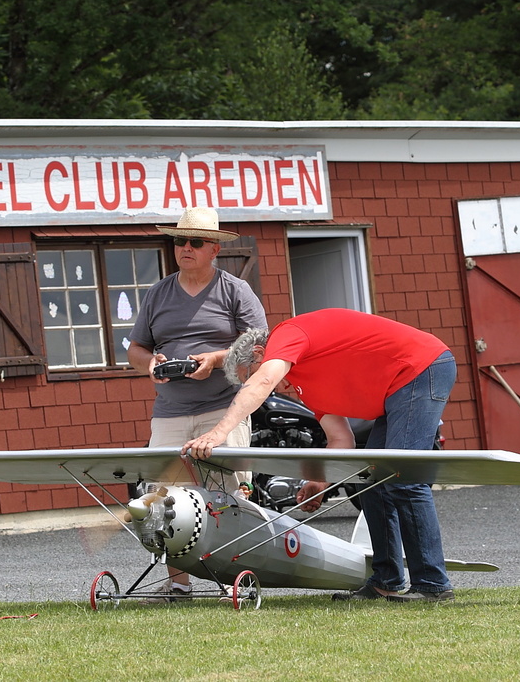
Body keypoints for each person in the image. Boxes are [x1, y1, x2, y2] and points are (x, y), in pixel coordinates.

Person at [182, 308, 456, 602]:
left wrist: (218, 433)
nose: (267, 385)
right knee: (374, 485)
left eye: (250, 375)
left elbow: (262, 383)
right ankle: (385, 582)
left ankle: (432, 585)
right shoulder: (308, 386)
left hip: (421, 366)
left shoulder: (287, 334)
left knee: (404, 479)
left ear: (261, 353)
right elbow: (342, 439)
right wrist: (320, 481)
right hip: (398, 387)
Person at [127, 206, 267, 602]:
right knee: (165, 499)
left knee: (227, 497)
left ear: (214, 249)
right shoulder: (158, 292)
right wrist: (150, 365)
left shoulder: (235, 290)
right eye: (178, 240)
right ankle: (178, 585)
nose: (185, 248)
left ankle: (234, 582)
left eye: (195, 242)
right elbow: (136, 349)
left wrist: (216, 360)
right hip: (169, 411)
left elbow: (259, 347)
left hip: (223, 410)